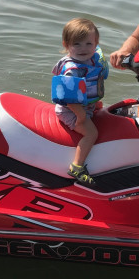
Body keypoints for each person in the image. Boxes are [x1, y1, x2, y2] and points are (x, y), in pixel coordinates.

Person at [51, 18, 110, 185]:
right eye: (77, 44)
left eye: (88, 44)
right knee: (92, 133)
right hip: (71, 110)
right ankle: (77, 166)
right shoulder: (72, 70)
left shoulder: (93, 59)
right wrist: (82, 116)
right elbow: (70, 100)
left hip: (86, 104)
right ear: (66, 44)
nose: (83, 49)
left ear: (96, 43)